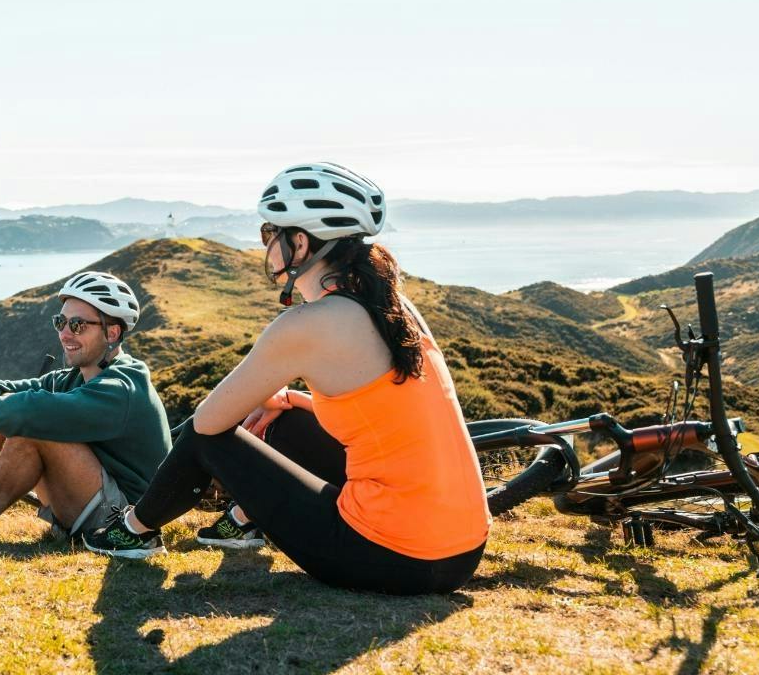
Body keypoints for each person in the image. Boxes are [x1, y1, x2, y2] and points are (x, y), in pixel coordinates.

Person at [85, 163, 490, 596]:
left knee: (208, 433)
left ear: (299, 243)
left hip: (392, 556)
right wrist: (292, 399)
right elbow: (390, 417)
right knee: (285, 418)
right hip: (461, 550)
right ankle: (242, 521)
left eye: (268, 233)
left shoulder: (306, 324)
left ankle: (132, 530)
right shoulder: (395, 307)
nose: (265, 245)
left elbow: (208, 425)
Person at [0, 271, 171, 546]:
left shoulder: (121, 385)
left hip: (124, 522)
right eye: (60, 322)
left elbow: (33, 410)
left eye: (77, 325)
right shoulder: (74, 377)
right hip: (93, 501)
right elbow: (1, 389)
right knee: (8, 414)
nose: (64, 334)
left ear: (112, 332)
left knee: (33, 427)